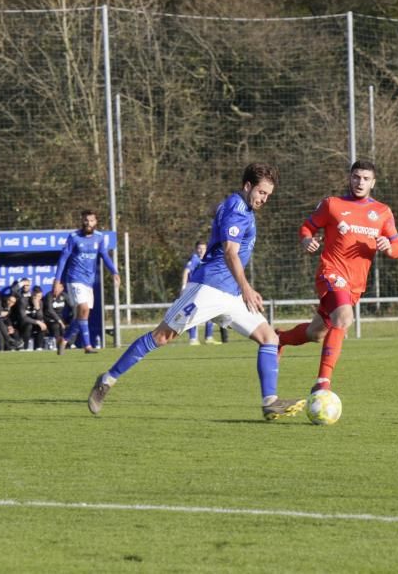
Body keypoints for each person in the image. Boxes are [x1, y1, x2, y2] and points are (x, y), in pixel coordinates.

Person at [88, 163, 304, 420]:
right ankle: (107, 380)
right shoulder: (237, 210)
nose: (264, 199)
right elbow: (230, 252)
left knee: (269, 337)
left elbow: (226, 231)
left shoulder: (242, 207)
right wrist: (247, 287)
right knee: (161, 337)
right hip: (208, 289)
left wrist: (240, 288)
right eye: (261, 192)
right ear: (247, 186)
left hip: (231, 294)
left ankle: (270, 401)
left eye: (268, 194)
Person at [276, 160, 398, 394]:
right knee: (344, 318)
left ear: (373, 183)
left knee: (316, 333)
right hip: (331, 273)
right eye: (356, 177)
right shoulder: (332, 205)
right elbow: (307, 227)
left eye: (365, 178)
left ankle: (278, 339)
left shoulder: (383, 212)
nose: (360, 182)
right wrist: (306, 240)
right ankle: (322, 383)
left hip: (356, 284)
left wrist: (388, 246)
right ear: (349, 178)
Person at [54, 209, 121, 354]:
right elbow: (63, 258)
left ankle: (64, 339)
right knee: (83, 309)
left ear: (95, 222)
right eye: (86, 220)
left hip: (89, 281)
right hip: (75, 278)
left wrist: (114, 272)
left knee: (83, 315)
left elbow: (104, 255)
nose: (88, 223)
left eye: (91, 221)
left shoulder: (99, 237)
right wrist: (57, 280)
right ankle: (88, 346)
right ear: (82, 221)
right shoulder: (73, 237)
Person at [181, 241, 220, 345]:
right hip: (195, 290)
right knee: (193, 313)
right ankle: (193, 338)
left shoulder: (209, 258)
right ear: (196, 249)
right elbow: (186, 272)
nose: (201, 250)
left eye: (203, 248)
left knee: (210, 312)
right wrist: (184, 286)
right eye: (199, 248)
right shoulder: (195, 259)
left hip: (206, 290)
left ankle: (209, 337)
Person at [43, 280, 69, 355]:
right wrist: (59, 321)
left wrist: (74, 317)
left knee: (70, 327)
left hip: (60, 318)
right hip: (49, 318)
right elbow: (50, 310)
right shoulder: (49, 295)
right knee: (56, 326)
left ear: (62, 288)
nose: (55, 289)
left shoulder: (64, 295)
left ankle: (67, 345)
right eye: (53, 287)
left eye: (57, 287)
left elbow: (72, 306)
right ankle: (59, 347)